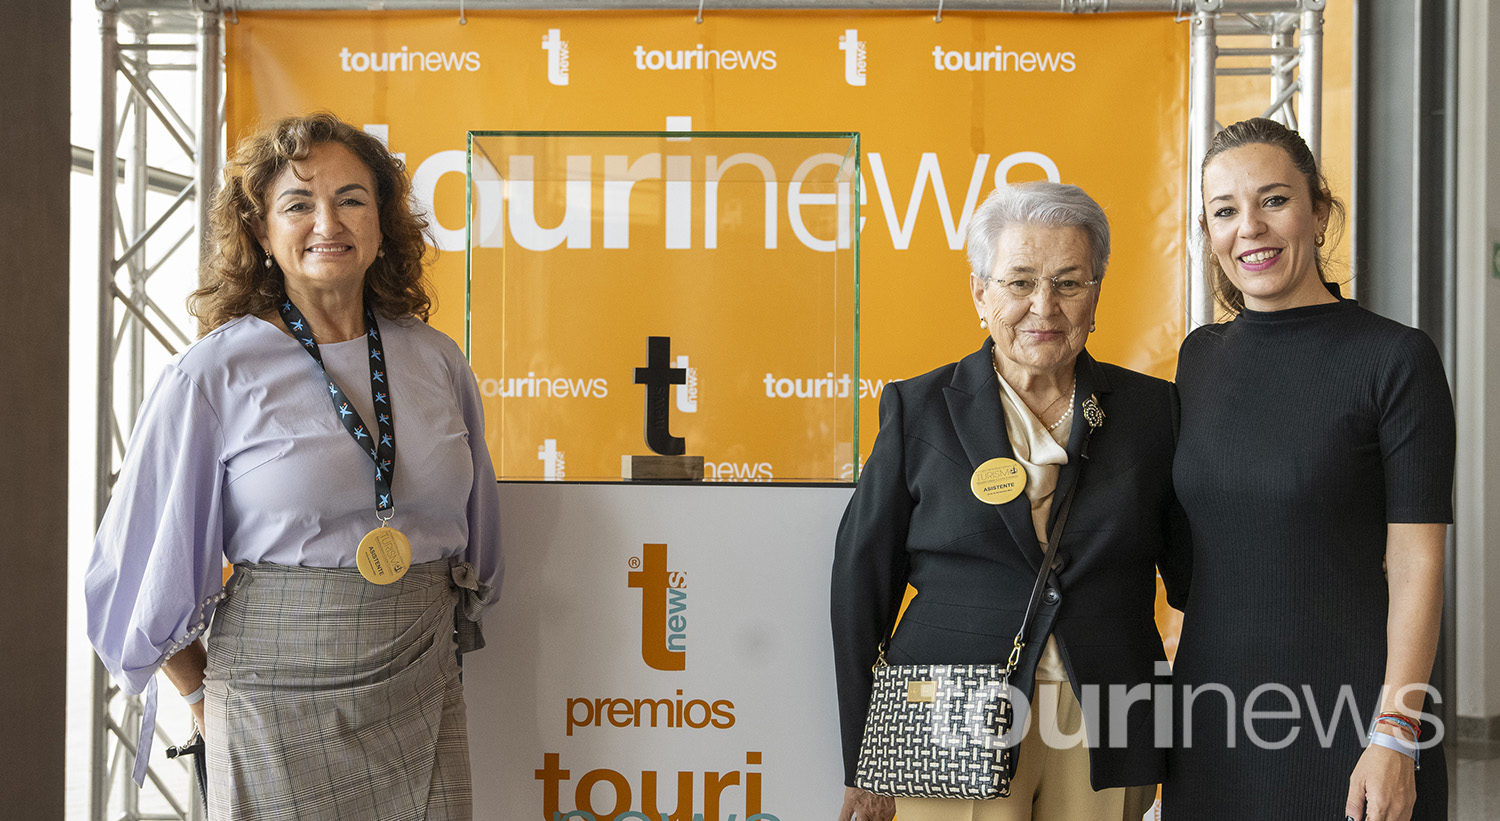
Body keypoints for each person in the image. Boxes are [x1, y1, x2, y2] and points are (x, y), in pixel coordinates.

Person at [86, 111, 503, 820]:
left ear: (381, 223)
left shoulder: (437, 360)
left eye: (351, 199)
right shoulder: (212, 374)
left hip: (423, 685)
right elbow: (134, 571)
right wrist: (199, 701)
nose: (327, 222)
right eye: (298, 203)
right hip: (272, 705)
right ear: (260, 232)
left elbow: (478, 535)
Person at [831, 181, 1191, 821]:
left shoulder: (1152, 411)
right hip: (943, 712)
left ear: (1096, 292)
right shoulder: (919, 409)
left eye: (1069, 282)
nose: (1043, 306)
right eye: (1020, 282)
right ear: (980, 293)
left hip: (1108, 712)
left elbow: (1197, 575)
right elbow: (861, 584)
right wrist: (866, 755)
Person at [1165, 118, 1453, 821]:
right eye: (1225, 211)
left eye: (1274, 200)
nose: (1250, 229)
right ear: (1209, 232)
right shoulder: (1198, 357)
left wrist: (1396, 732)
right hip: (1213, 722)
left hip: (1351, 720)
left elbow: (1418, 563)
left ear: (1318, 212)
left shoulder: (1395, 359)